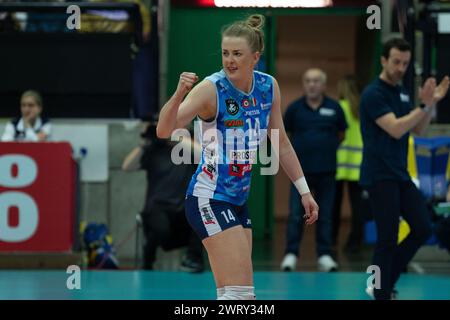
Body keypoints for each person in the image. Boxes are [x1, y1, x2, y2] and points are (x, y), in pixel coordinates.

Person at [157, 14, 319, 300]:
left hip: (238, 202)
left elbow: (280, 144)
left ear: (255, 57)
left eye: (237, 54)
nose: (229, 60)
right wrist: (180, 93)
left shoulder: (268, 86)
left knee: (231, 294)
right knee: (241, 295)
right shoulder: (211, 89)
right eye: (225, 53)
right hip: (209, 198)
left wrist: (303, 190)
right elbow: (164, 129)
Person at [360, 38, 449, 300]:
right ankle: (380, 290)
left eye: (405, 63)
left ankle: (383, 282)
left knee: (423, 227)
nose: (400, 67)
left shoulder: (402, 92)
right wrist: (422, 106)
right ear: (384, 60)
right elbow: (396, 128)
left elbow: (418, 130)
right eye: (396, 62)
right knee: (387, 238)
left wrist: (430, 102)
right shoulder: (373, 94)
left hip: (399, 174)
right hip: (379, 175)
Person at [280, 68, 347, 272]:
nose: (312, 84)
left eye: (316, 81)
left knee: (325, 215)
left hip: (327, 172)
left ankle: (325, 255)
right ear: (304, 84)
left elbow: (341, 134)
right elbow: (286, 136)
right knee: (295, 216)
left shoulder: (335, 108)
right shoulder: (294, 109)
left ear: (324, 85)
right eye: (308, 80)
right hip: (301, 175)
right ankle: (291, 254)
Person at [122, 118, 204, 272]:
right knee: (159, 227)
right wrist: (145, 143)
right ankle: (148, 260)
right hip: (158, 208)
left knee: (201, 214)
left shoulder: (189, 150)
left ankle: (194, 260)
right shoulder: (153, 151)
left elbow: (205, 155)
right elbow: (127, 166)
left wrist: (175, 137)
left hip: (183, 208)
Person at [332, 75, 366, 253]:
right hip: (358, 163)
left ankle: (331, 239)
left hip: (339, 162)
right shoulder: (362, 109)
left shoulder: (339, 107)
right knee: (357, 207)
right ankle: (355, 241)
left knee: (334, 205)